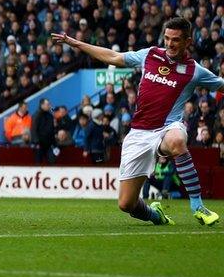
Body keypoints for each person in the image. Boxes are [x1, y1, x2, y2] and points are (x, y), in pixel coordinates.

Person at [52, 17, 222, 226]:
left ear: (188, 42)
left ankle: (198, 207)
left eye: (176, 40)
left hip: (168, 127)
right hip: (139, 134)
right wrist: (76, 43)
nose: (169, 44)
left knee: (177, 140)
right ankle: (155, 215)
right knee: (126, 204)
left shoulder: (195, 71)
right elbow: (113, 56)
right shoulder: (150, 55)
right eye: (167, 38)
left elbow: (220, 85)